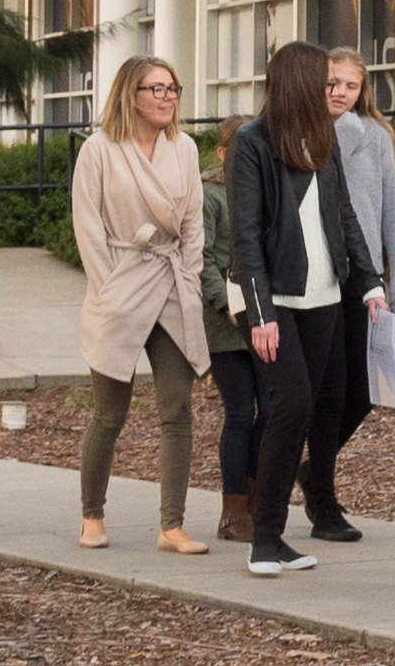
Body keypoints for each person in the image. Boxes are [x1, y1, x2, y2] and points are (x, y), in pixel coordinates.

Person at [228, 41, 376, 576]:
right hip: (272, 299)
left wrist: (371, 282)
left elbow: (345, 216)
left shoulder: (324, 137)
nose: (333, 89)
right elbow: (244, 236)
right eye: (324, 79)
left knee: (309, 408)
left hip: (325, 296)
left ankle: (277, 534)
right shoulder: (251, 143)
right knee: (289, 404)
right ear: (298, 82)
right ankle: (264, 538)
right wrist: (261, 312)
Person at [66, 56, 209, 555]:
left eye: (173, 87)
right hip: (121, 286)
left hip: (170, 285)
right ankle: (91, 515)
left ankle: (172, 525)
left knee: (178, 411)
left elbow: (193, 222)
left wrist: (188, 279)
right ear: (131, 94)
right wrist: (108, 290)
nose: (169, 97)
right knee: (109, 414)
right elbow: (88, 226)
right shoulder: (99, 151)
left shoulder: (184, 148)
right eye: (157, 89)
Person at [321, 47, 395, 437]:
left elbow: (390, 212)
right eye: (332, 83)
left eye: (351, 86)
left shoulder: (376, 137)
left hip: (364, 279)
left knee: (363, 392)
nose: (340, 92)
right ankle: (313, 475)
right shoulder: (302, 133)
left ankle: (311, 470)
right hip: (316, 276)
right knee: (326, 387)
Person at [197, 113, 262, 543]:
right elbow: (200, 258)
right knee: (241, 412)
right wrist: (227, 305)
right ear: (223, 153)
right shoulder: (209, 197)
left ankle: (257, 502)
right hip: (225, 324)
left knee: (274, 412)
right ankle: (232, 510)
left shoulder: (263, 192)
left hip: (263, 317)